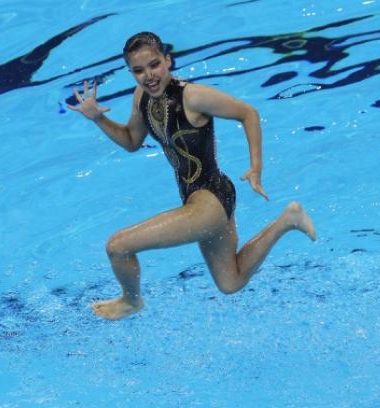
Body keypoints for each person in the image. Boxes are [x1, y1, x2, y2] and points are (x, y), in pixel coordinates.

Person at [67, 32, 316, 320]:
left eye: (154, 65)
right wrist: (98, 118)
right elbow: (132, 141)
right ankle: (288, 219)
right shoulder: (142, 98)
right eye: (138, 70)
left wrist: (256, 168)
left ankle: (131, 301)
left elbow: (248, 113)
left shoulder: (192, 96)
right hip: (202, 199)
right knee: (230, 282)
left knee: (118, 246)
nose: (148, 75)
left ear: (167, 61)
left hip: (210, 201)